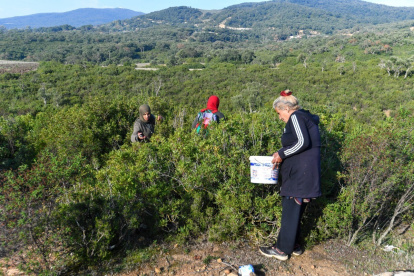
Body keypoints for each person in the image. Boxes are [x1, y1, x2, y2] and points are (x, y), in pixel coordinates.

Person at [259, 89, 321, 261]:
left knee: (290, 210)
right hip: (306, 172)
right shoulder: (305, 118)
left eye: (279, 113)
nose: (280, 117)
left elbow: (302, 142)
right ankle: (294, 245)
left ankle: (281, 250)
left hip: (300, 174)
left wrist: (281, 154)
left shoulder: (296, 117)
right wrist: (282, 153)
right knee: (296, 211)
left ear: (286, 109)